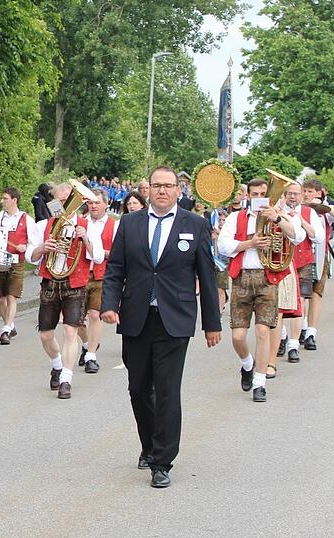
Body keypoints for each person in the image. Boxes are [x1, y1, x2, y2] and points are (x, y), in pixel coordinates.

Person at [101, 165, 221, 488]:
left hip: (175, 320)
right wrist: (109, 305)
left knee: (167, 390)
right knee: (139, 389)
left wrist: (212, 323)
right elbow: (115, 269)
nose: (163, 191)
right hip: (137, 318)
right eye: (157, 185)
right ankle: (150, 444)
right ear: (148, 189)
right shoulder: (129, 223)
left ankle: (162, 460)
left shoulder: (194, 225)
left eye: (169, 186)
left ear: (178, 190)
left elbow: (208, 277)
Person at [217, 177, 306, 402]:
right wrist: (250, 244)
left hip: (268, 278)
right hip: (242, 279)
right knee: (238, 336)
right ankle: (247, 363)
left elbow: (298, 236)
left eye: (263, 194)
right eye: (254, 195)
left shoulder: (279, 216)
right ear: (248, 196)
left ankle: (260, 383)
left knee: (263, 331)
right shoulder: (237, 218)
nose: (259, 199)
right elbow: (223, 246)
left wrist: (277, 217)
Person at [29, 182, 105, 399]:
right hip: (50, 283)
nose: (64, 205)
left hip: (75, 284)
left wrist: (86, 239)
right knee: (45, 334)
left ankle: (66, 379)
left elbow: (98, 257)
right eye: (60, 201)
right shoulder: (43, 225)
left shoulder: (86, 225)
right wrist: (42, 248)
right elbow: (30, 257)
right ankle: (56, 364)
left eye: (68, 200)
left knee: (70, 331)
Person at [270, 181, 323, 372]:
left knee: (300, 302)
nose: (292, 197)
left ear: (302, 195)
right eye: (289, 193)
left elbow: (318, 237)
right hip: (280, 262)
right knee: (280, 304)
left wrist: (302, 220)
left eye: (296, 193)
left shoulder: (310, 213)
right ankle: (282, 336)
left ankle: (293, 343)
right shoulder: (276, 209)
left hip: (303, 261)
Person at [76, 188, 118, 373]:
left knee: (94, 314)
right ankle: (87, 344)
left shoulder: (114, 225)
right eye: (90, 203)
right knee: (76, 319)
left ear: (106, 204)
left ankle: (91, 356)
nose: (93, 206)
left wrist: (103, 253)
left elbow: (119, 252)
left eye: (97, 202)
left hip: (103, 275)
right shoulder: (80, 223)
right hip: (80, 273)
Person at [300, 179, 334, 351]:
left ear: (319, 193)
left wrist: (321, 205)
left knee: (316, 293)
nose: (306, 194)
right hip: (301, 254)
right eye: (305, 191)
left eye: (310, 191)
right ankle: (302, 326)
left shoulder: (324, 210)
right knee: (301, 294)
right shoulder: (298, 209)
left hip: (320, 255)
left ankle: (311, 332)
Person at [0, 187, 34, 345]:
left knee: (11, 296)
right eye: (2, 198)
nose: (2, 201)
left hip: (16, 261)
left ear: (14, 200)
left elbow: (34, 240)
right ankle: (9, 325)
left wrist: (26, 247)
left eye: (5, 198)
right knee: (0, 299)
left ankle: (6, 329)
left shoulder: (25, 218)